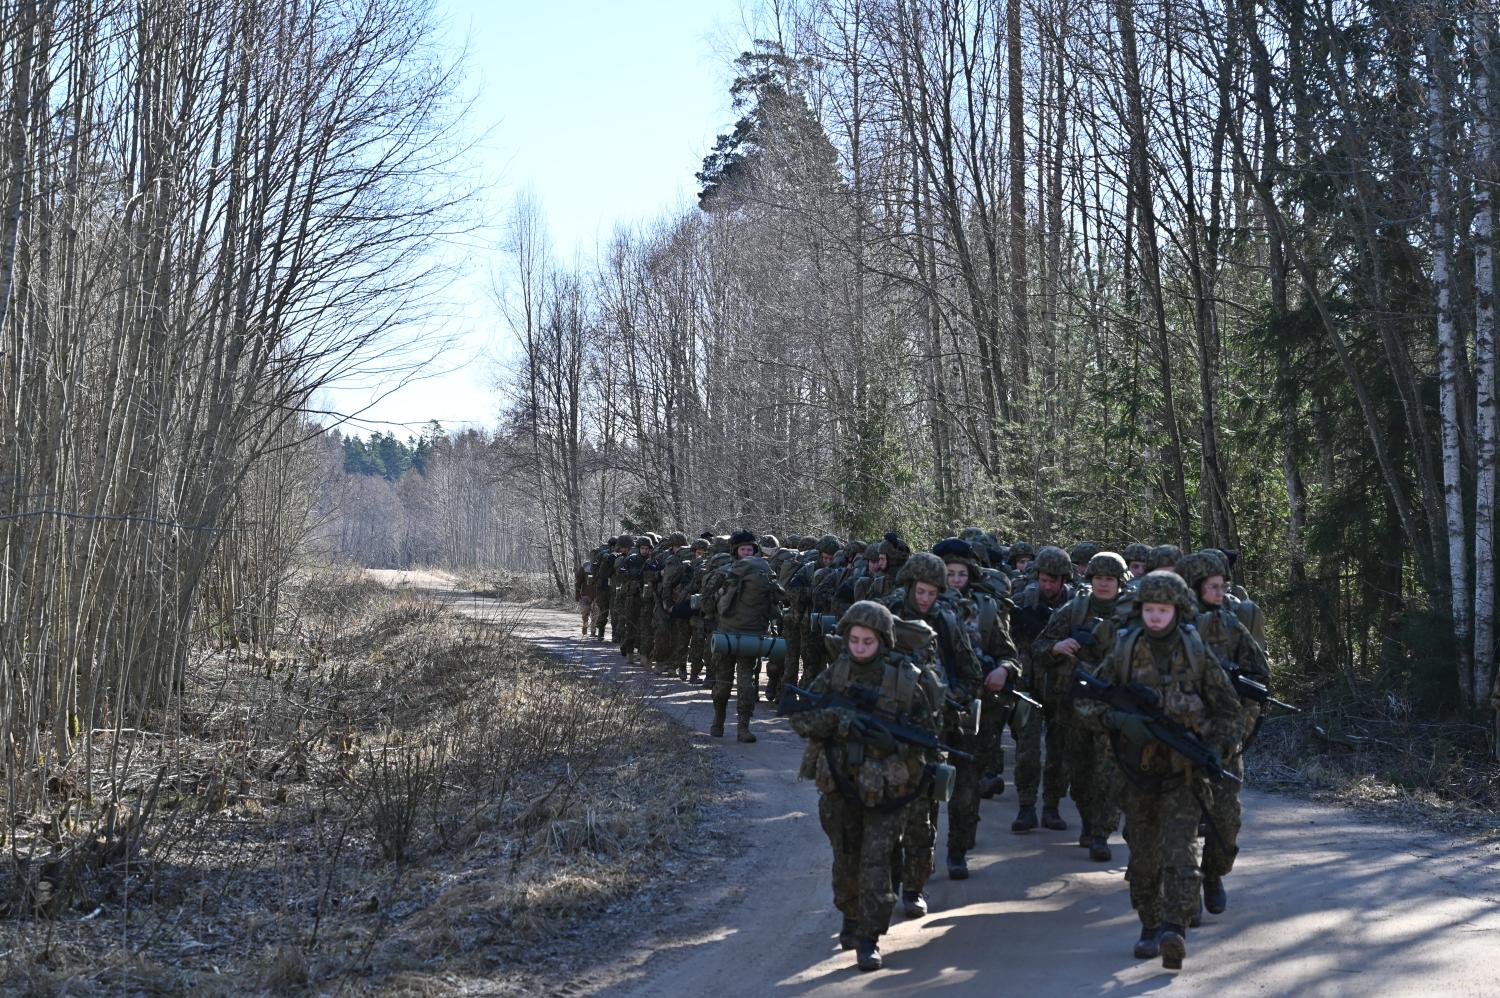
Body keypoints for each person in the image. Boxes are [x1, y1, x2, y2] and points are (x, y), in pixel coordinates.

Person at [1076, 570, 1241, 970]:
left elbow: (1228, 710)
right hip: (1135, 775)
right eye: (1149, 609)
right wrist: (1118, 722)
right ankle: (1149, 925)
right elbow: (1084, 701)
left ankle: (1173, 929)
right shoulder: (1125, 650)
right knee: (1144, 859)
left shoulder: (1196, 651)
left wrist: (1216, 748)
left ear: (1177, 610)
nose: (1155, 617)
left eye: (1162, 610)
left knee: (1182, 855)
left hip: (1184, 775)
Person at [788, 600, 945, 973]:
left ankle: (869, 938)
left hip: (887, 791)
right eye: (854, 640)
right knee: (846, 860)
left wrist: (893, 744)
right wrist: (840, 722)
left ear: (884, 642)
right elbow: (800, 717)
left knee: (876, 864)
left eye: (867, 642)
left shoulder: (905, 681)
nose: (859, 648)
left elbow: (928, 737)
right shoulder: (836, 674)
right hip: (840, 787)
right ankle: (850, 917)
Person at [881, 552, 986, 913]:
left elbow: (970, 673)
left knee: (923, 814)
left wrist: (946, 699)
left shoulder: (947, 618)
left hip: (931, 729)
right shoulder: (883, 615)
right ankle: (888, 881)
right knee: (885, 809)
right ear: (909, 585)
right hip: (886, 727)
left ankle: (913, 887)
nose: (925, 599)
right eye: (920, 592)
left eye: (932, 593)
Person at [1176, 549, 1270, 917]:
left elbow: (1260, 679)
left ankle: (1213, 875)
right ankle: (1183, 895)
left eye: (1223, 586)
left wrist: (1236, 731)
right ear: (1195, 586)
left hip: (1224, 741)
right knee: (1179, 821)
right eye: (1214, 586)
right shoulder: (1168, 625)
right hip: (1178, 741)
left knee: (1224, 822)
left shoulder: (1231, 626)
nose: (1222, 592)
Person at [1032, 551, 1129, 861]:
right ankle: (1088, 822)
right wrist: (1058, 647)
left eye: (1109, 579)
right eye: (1098, 578)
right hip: (1074, 707)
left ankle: (1101, 833)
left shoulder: (1132, 613)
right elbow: (1039, 647)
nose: (1103, 584)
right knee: (1081, 771)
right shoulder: (1073, 610)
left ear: (1119, 582)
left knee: (1109, 772)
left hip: (1113, 707)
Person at [934, 537, 1023, 876]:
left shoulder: (986, 608)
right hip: (929, 707)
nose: (955, 579)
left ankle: (957, 850)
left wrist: (1003, 670)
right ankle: (920, 852)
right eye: (948, 573)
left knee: (966, 781)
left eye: (960, 573)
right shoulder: (923, 604)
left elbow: (1009, 654)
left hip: (972, 709)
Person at [1006, 545, 1076, 833]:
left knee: (1060, 753)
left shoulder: (1076, 606)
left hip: (1062, 688)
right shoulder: (1023, 600)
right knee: (1028, 750)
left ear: (1063, 579)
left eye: (1053, 581)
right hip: (1029, 686)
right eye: (1043, 580)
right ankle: (1026, 807)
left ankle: (1052, 807)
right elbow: (1005, 640)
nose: (1047, 586)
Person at [709, 530, 784, 742]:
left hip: (750, 635)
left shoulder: (760, 573)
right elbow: (708, 603)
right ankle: (719, 719)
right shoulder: (728, 572)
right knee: (723, 683)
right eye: (743, 549)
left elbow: (775, 601)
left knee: (746, 684)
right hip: (727, 632)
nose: (746, 552)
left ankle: (743, 727)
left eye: (749, 549)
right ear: (735, 550)